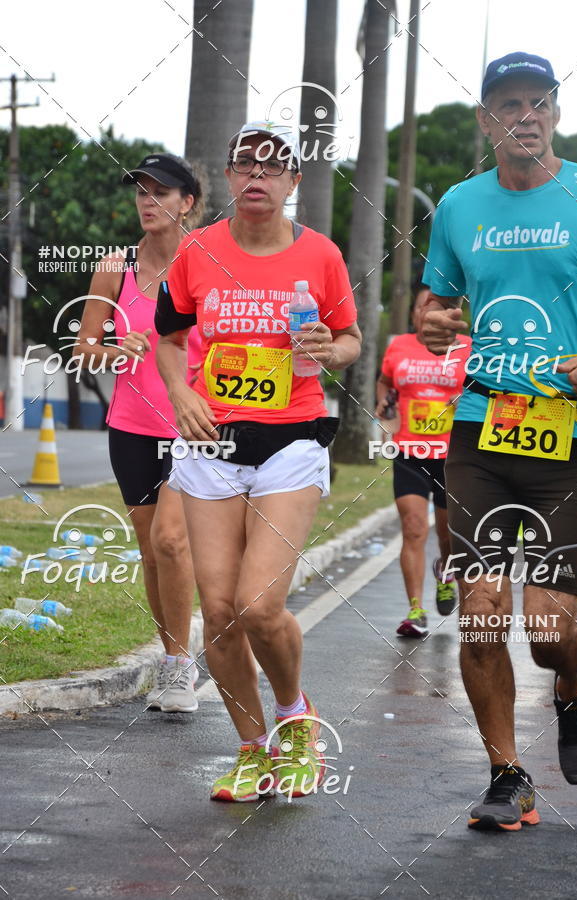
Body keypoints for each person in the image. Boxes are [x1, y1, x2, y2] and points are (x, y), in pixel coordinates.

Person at [154, 121, 361, 802]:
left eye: (273, 167)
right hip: (212, 444)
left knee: (257, 605)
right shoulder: (198, 251)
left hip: (292, 440)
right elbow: (170, 337)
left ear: (294, 181)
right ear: (228, 175)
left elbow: (352, 339)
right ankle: (250, 748)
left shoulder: (322, 256)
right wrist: (182, 389)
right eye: (246, 163)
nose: (257, 177)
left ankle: (295, 718)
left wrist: (332, 351)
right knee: (216, 610)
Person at [420, 52, 577, 831]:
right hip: (480, 428)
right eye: (506, 105)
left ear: (555, 112)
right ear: (485, 120)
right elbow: (437, 302)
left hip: (572, 436)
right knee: (484, 610)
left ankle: (575, 686)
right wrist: (432, 320)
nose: (523, 116)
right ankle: (506, 775)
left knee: (551, 633)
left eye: (537, 103)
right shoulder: (459, 205)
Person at [75, 152, 203, 713]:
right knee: (153, 552)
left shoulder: (208, 262)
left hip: (194, 426)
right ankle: (173, 658)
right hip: (130, 425)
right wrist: (112, 349)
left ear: (187, 204)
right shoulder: (114, 266)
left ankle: (181, 670)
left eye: (161, 193)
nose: (148, 202)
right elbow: (83, 350)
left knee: (173, 542)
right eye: (141, 192)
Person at [375, 280, 470, 637]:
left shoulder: (466, 348)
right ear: (415, 313)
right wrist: (384, 402)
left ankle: (446, 569)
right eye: (420, 306)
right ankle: (415, 610)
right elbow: (385, 382)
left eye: (433, 306)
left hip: (453, 455)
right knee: (414, 527)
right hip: (410, 451)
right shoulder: (398, 346)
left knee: (450, 536)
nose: (425, 312)